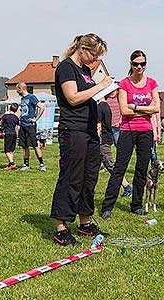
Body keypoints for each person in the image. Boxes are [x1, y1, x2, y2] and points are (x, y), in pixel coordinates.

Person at [50, 33, 112, 246]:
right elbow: (73, 97)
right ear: (83, 49)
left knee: (89, 177)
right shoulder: (66, 68)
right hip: (72, 129)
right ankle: (61, 227)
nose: (95, 61)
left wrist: (105, 90)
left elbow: (88, 95)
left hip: (89, 130)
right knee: (71, 177)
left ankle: (84, 221)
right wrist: (100, 85)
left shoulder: (85, 71)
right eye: (94, 56)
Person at [101, 50, 160, 218]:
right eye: (136, 64)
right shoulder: (124, 84)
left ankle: (136, 205)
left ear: (146, 65)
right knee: (120, 168)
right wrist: (144, 110)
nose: (139, 67)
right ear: (131, 65)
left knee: (141, 169)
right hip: (127, 131)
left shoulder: (152, 83)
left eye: (142, 64)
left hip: (146, 131)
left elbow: (156, 108)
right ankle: (107, 207)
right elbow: (124, 110)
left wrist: (135, 107)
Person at [97, 94, 133, 211]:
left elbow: (98, 127)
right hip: (107, 139)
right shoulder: (106, 106)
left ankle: (127, 187)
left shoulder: (100, 107)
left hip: (102, 141)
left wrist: (96, 140)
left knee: (111, 166)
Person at [16, 82, 46, 172]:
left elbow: (41, 107)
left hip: (30, 126)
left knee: (35, 145)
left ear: (21, 89)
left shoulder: (32, 97)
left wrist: (35, 119)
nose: (17, 91)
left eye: (17, 89)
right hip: (23, 125)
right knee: (24, 146)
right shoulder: (23, 99)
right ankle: (26, 165)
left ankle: (42, 165)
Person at [0, 103, 20, 170]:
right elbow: (18, 125)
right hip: (14, 134)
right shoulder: (16, 117)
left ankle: (12, 163)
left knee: (7, 150)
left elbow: (0, 123)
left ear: (9, 108)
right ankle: (10, 165)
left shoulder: (5, 116)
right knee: (11, 150)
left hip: (8, 133)